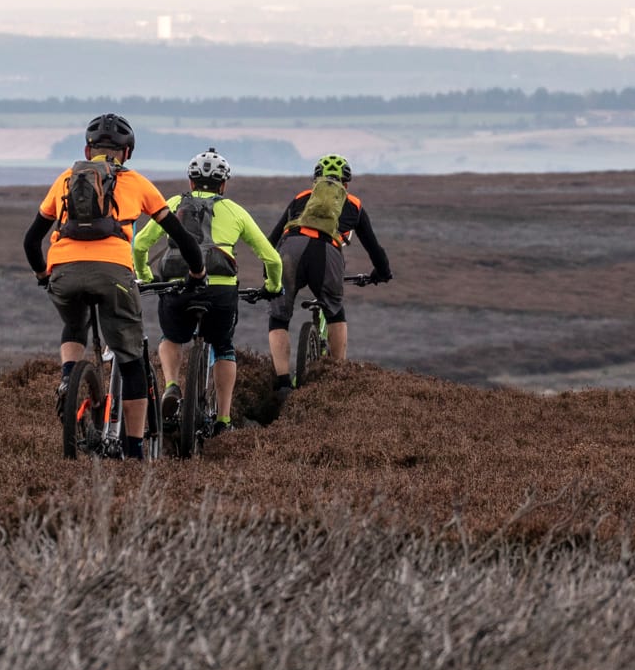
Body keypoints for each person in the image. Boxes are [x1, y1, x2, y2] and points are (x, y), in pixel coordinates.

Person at [23, 114, 206, 458]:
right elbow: (181, 237)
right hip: (114, 274)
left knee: (73, 323)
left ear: (87, 149)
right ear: (127, 153)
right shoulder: (137, 183)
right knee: (131, 358)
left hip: (63, 270)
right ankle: (134, 449)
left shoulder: (64, 179)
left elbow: (31, 241)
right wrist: (197, 273)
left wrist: (43, 276)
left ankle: (68, 379)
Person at [133, 149, 284, 437]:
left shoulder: (173, 203)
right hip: (220, 291)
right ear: (223, 185)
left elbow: (140, 245)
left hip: (178, 286)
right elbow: (272, 259)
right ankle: (223, 420)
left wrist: (147, 277)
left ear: (190, 182)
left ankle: (172, 386)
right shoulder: (235, 210)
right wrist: (273, 287)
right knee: (224, 347)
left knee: (172, 338)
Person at [266, 153, 393, 398]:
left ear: (315, 180)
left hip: (289, 250)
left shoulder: (301, 198)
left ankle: (283, 384)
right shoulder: (353, 204)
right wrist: (382, 273)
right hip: (325, 251)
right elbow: (374, 247)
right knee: (335, 313)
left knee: (279, 317)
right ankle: (337, 377)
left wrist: (269, 272)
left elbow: (271, 240)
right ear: (345, 184)